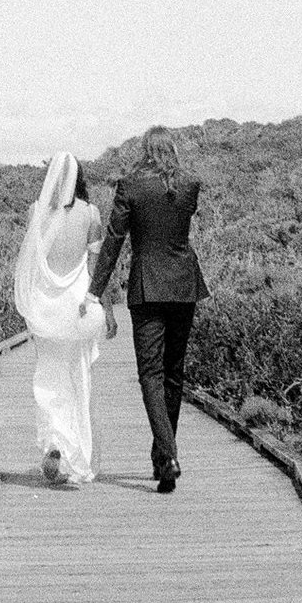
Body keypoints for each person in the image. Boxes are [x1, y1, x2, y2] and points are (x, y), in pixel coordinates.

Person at [88, 124, 208, 494]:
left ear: (144, 150)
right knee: (173, 373)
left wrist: (96, 289)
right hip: (184, 285)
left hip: (147, 287)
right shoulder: (190, 185)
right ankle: (163, 458)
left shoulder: (130, 186)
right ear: (173, 149)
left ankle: (167, 455)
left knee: (151, 375)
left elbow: (114, 238)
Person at [12, 150, 108, 486]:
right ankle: (74, 452)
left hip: (45, 307)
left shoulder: (36, 211)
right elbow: (96, 267)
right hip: (77, 306)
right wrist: (103, 306)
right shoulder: (91, 214)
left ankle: (54, 441)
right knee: (78, 378)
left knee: (48, 374)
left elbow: (31, 260)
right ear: (79, 178)